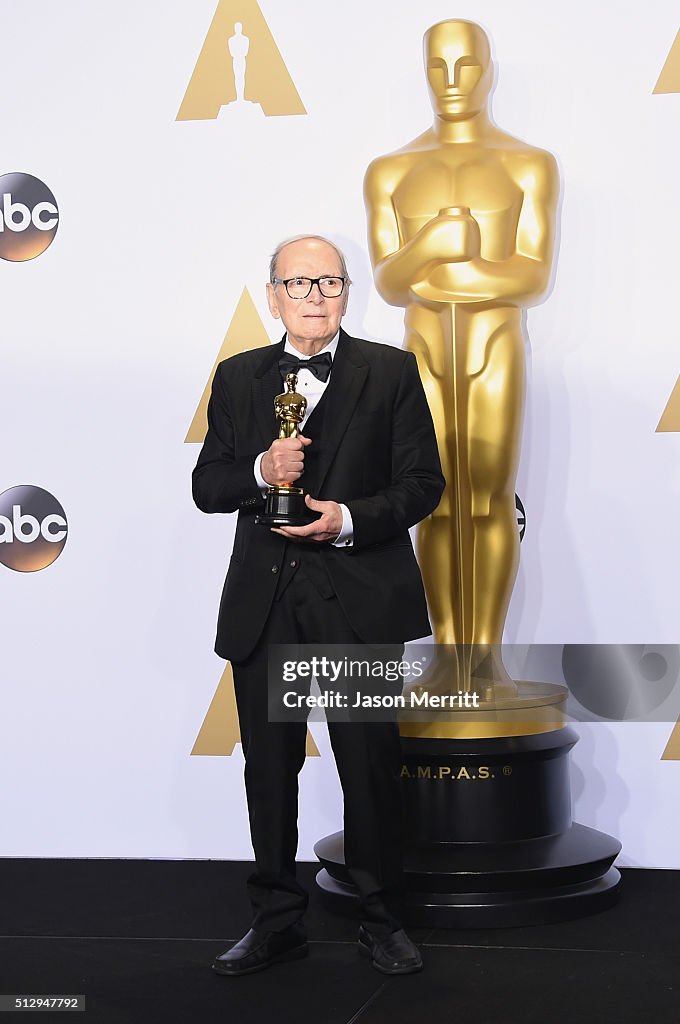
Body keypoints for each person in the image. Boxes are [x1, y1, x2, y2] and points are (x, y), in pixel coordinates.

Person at [192, 235, 445, 976]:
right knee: (269, 769)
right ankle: (275, 919)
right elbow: (208, 487)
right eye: (297, 283)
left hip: (357, 598)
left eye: (328, 281)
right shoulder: (238, 378)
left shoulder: (392, 372)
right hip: (265, 603)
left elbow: (422, 483)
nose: (313, 295)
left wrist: (349, 519)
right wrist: (259, 468)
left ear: (346, 292)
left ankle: (382, 918)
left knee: (367, 764)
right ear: (272, 296)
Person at [364, 20, 558, 695]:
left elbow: (530, 276)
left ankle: (488, 663)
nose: (452, 82)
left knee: (489, 504)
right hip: (420, 352)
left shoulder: (526, 164)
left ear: (489, 69)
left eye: (466, 66)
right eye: (438, 67)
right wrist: (438, 243)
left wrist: (442, 276)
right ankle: (450, 660)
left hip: (494, 348)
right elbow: (391, 282)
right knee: (436, 504)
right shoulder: (391, 170)